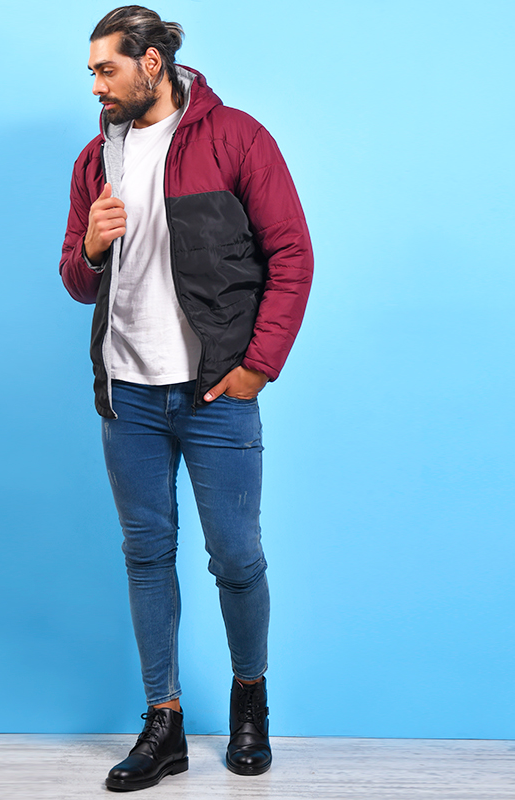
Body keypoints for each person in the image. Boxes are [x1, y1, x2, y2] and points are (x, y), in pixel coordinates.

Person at [59, 5, 313, 791]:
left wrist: (258, 367)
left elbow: (291, 253)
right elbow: (75, 279)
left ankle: (249, 703)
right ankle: (162, 722)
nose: (95, 85)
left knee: (236, 556)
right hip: (128, 396)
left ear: (152, 64)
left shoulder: (236, 139)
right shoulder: (94, 159)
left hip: (215, 394)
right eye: (91, 72)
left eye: (106, 69)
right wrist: (91, 247)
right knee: (146, 556)